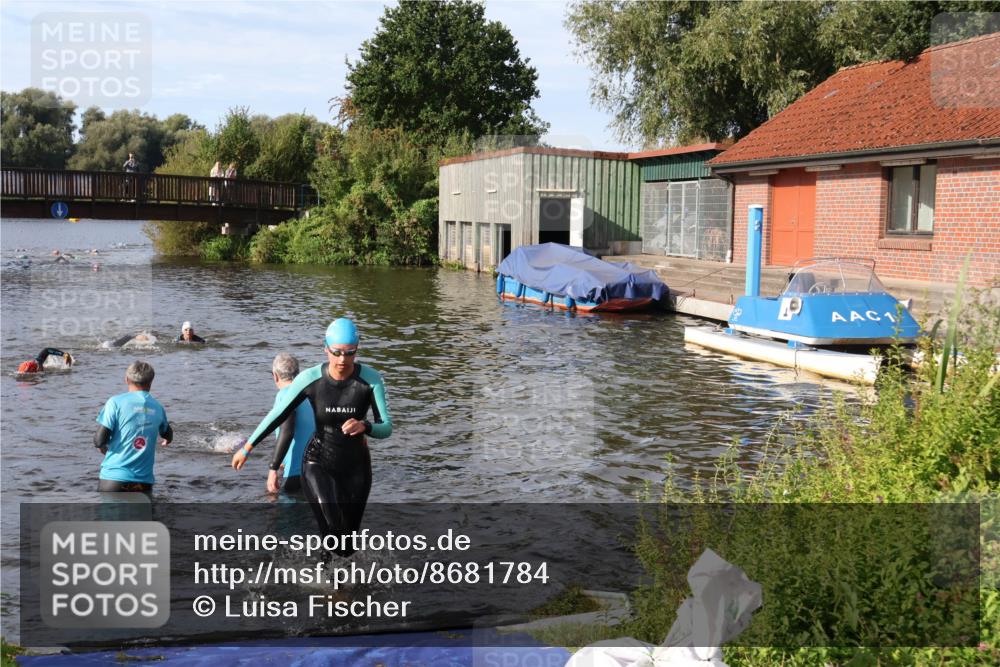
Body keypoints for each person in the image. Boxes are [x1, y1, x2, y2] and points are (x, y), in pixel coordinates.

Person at [232, 318, 392, 556]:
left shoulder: (369, 380)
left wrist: (365, 426)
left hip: (356, 466)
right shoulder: (310, 379)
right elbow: (278, 414)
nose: (342, 360)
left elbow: (386, 427)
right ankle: (330, 585)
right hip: (318, 461)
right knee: (331, 525)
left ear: (357, 349)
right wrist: (248, 448)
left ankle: (337, 581)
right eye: (336, 352)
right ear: (325, 348)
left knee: (347, 545)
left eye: (350, 353)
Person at [233, 354, 316, 495]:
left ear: (275, 376)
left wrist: (273, 469)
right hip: (314, 472)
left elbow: (287, 431)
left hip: (296, 474)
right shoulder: (308, 396)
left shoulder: (285, 395)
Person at [94, 360, 172, 494]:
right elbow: (167, 434)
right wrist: (167, 439)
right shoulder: (158, 407)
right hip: (143, 483)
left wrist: (102, 446)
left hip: (113, 480)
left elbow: (99, 440)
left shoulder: (115, 402)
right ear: (151, 382)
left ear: (126, 379)